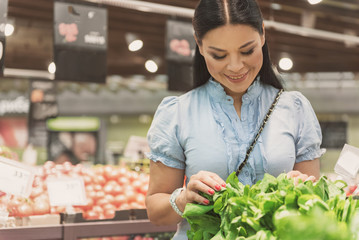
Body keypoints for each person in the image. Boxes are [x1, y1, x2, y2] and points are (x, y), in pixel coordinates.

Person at [145, 0, 323, 239]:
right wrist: (186, 197)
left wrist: (303, 192)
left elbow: (317, 204)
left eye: (247, 51)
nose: (236, 66)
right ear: (199, 44)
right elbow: (156, 211)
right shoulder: (177, 112)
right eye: (219, 55)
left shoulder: (295, 108)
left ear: (262, 34)